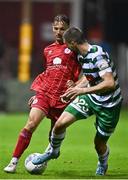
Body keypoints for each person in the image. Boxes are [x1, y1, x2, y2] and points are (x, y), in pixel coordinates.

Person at [32, 27, 123, 176]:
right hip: (91, 98)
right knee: (60, 124)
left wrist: (80, 91)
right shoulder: (81, 56)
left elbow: (109, 83)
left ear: (73, 42)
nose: (66, 47)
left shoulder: (97, 55)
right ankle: (53, 152)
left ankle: (102, 161)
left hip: (109, 104)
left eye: (67, 44)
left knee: (99, 144)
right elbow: (89, 76)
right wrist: (74, 88)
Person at [4, 17, 81, 173]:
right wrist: (39, 92)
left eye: (63, 28)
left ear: (68, 29)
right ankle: (13, 162)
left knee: (54, 135)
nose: (59, 32)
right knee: (31, 123)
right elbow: (49, 73)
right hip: (45, 94)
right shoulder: (48, 50)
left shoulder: (75, 49)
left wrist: (77, 85)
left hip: (63, 97)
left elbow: (86, 72)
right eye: (56, 28)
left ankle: (51, 151)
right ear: (52, 29)